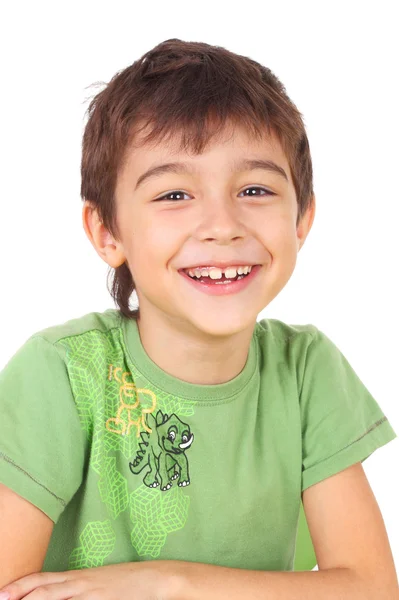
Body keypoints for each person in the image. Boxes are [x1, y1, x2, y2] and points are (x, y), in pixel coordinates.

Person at [0, 38, 397, 598]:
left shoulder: (306, 370)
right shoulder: (64, 373)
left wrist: (169, 582)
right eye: (174, 194)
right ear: (107, 232)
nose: (222, 225)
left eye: (255, 189)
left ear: (302, 219)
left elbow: (370, 587)